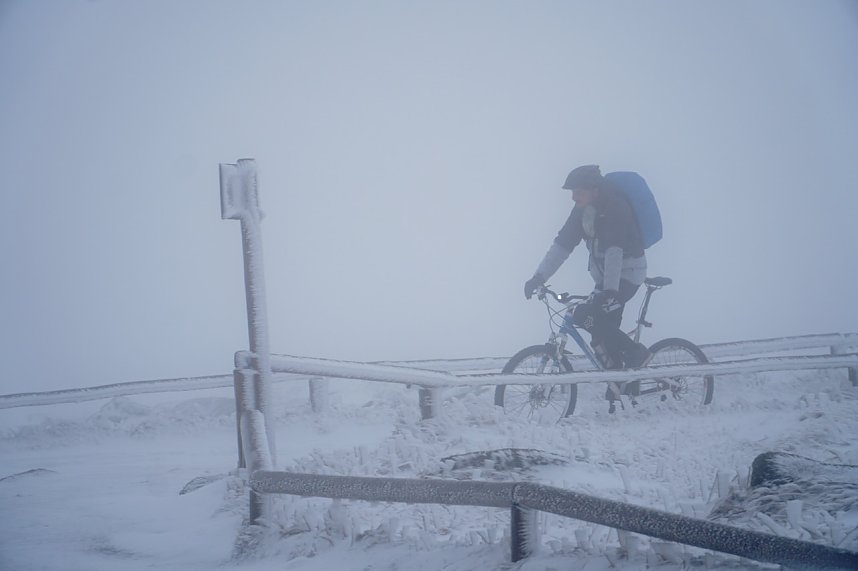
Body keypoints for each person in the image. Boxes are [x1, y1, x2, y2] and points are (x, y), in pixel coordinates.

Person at [523, 164, 651, 371]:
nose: (574, 197)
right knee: (600, 337)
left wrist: (610, 291)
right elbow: (562, 246)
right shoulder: (582, 212)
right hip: (607, 280)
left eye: (579, 192)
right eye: (572, 192)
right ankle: (621, 382)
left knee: (584, 315)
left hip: (627, 275)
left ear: (595, 190)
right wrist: (538, 277)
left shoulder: (616, 207)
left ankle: (636, 352)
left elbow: (614, 250)